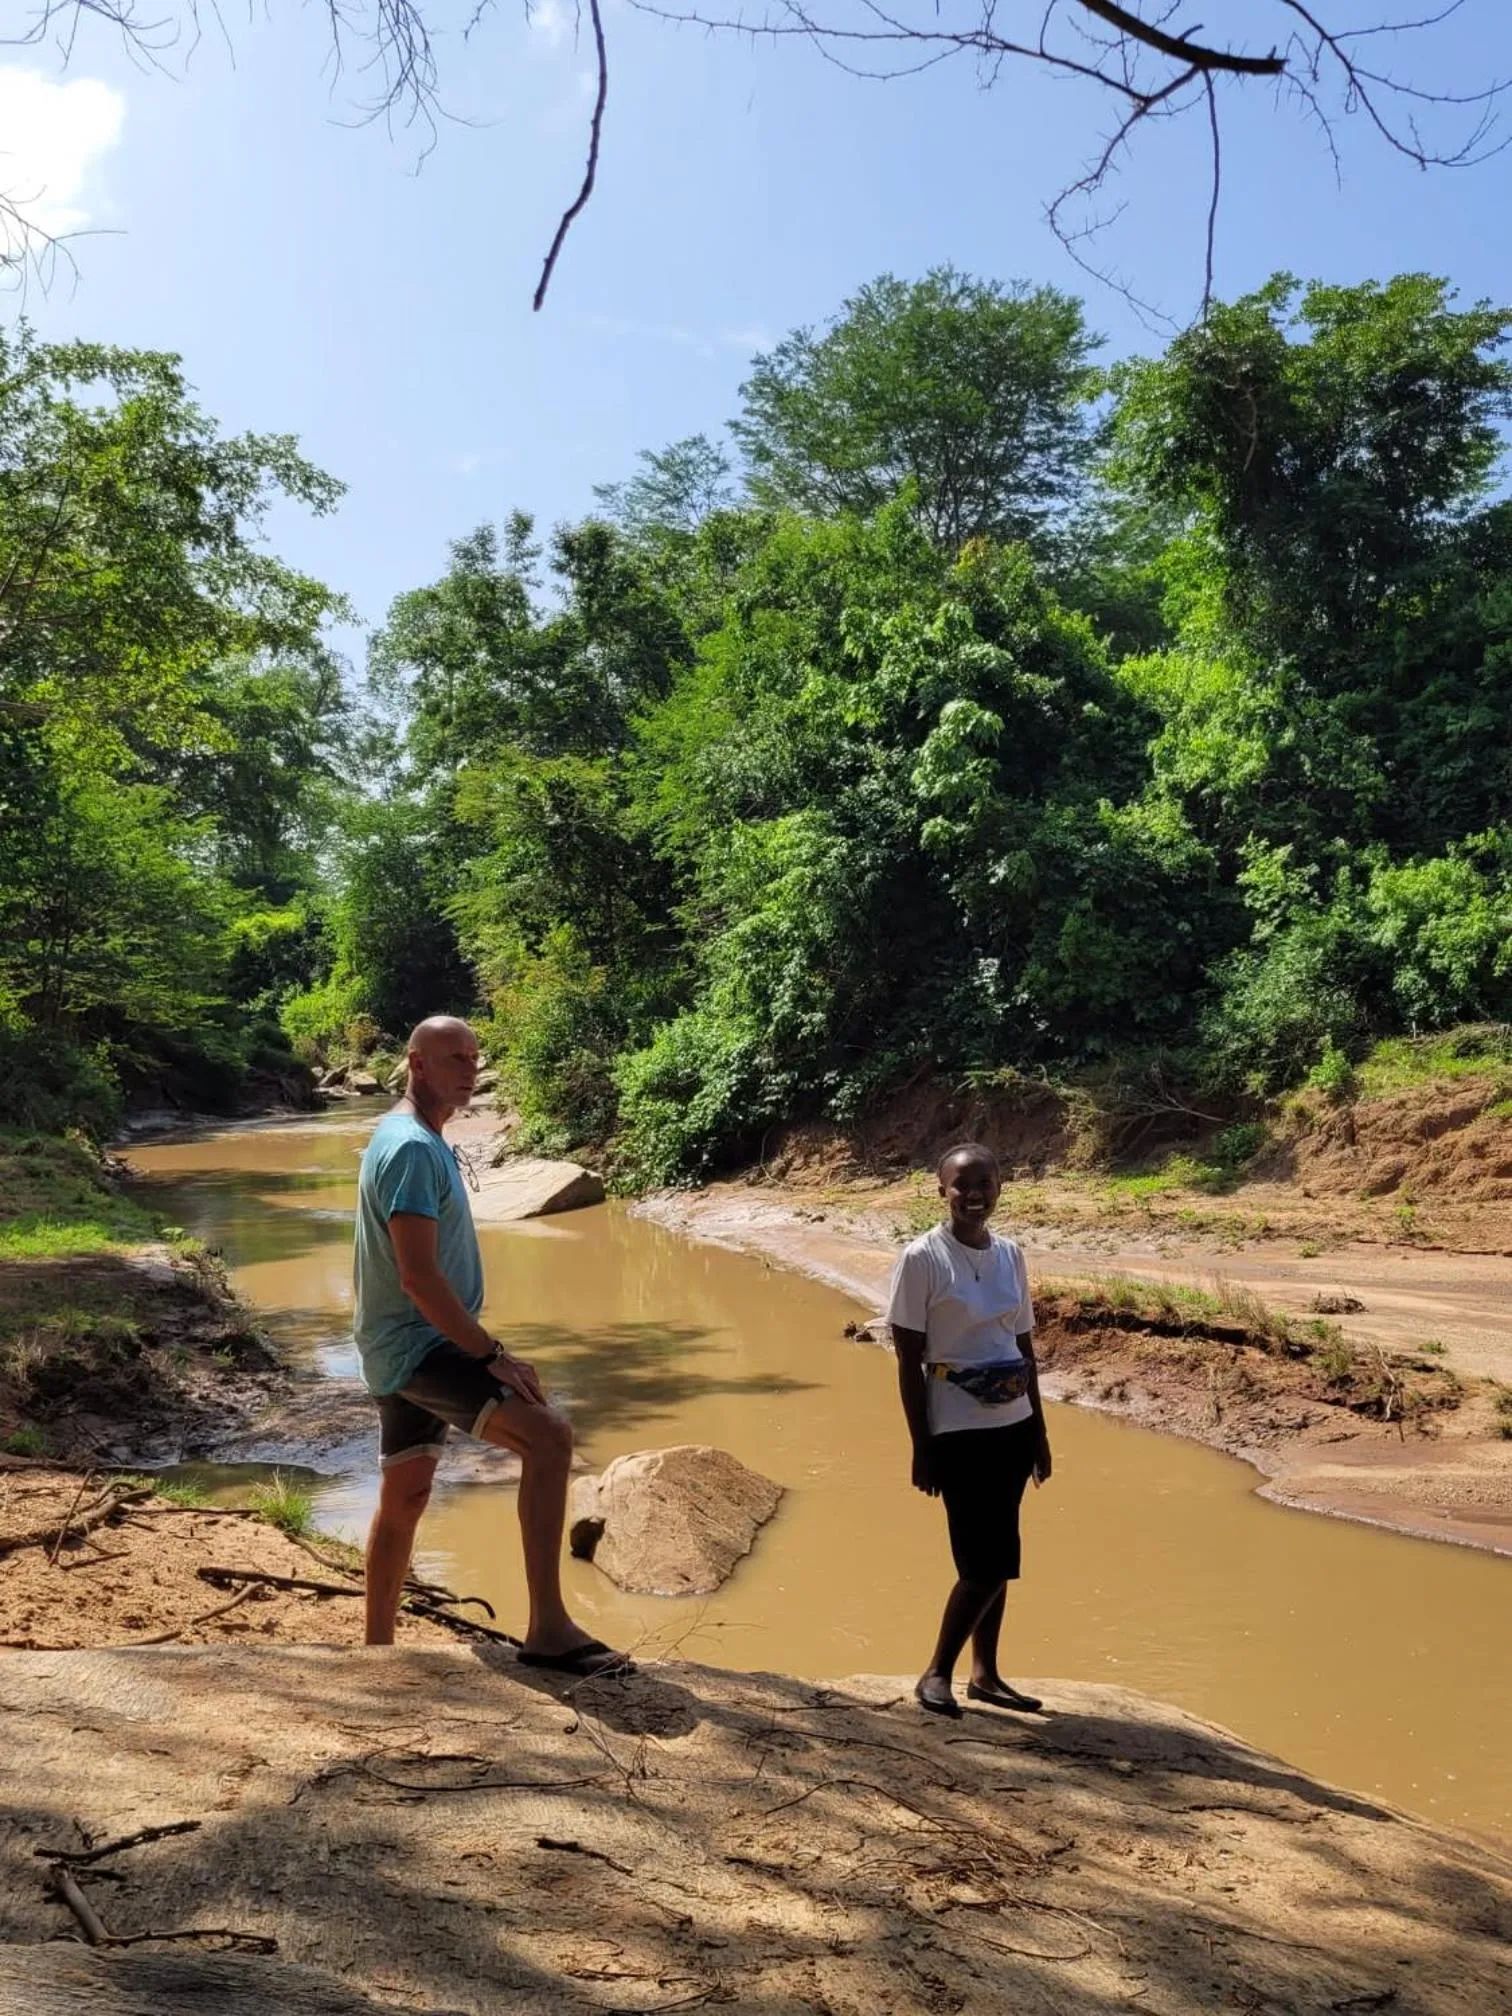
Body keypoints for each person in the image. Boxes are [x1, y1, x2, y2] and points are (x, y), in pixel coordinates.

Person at [352, 1014, 628, 1675]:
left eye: (475, 1058)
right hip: (419, 1345)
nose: (469, 1070)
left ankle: (376, 1653)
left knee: (407, 1494)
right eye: (454, 1059)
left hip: (397, 1343)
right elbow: (418, 1278)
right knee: (548, 1436)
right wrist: (491, 1353)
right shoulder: (414, 1148)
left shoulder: (409, 1135)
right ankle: (549, 1630)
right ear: (417, 1064)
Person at [886, 1141, 1052, 1718]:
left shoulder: (1010, 1255)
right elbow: (908, 1359)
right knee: (984, 1562)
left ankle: (985, 1675)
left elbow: (1024, 1346)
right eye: (962, 1185)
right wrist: (921, 1446)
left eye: (984, 1183)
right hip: (955, 1428)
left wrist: (1040, 1434)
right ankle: (937, 1673)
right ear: (942, 1190)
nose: (974, 1194)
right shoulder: (922, 1258)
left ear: (1000, 1187)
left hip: (1012, 1423)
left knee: (998, 1553)